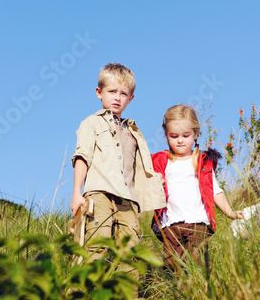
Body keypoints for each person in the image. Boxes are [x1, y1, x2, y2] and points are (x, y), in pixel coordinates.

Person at [70, 62, 166, 265]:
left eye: (123, 93)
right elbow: (82, 157)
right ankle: (84, 292)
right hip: (99, 193)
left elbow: (140, 168)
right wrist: (76, 193)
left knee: (130, 250)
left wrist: (156, 182)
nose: (117, 97)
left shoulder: (132, 131)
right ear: (99, 92)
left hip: (128, 199)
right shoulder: (92, 122)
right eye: (111, 91)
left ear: (130, 98)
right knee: (97, 243)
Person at [151, 104, 243, 271]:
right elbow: (147, 186)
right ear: (166, 135)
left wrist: (230, 212)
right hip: (170, 225)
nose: (180, 140)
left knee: (197, 260)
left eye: (185, 135)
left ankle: (202, 289)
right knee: (172, 265)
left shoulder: (201, 162)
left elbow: (215, 190)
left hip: (198, 223)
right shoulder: (162, 162)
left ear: (195, 134)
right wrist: (155, 182)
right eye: (174, 136)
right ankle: (178, 293)